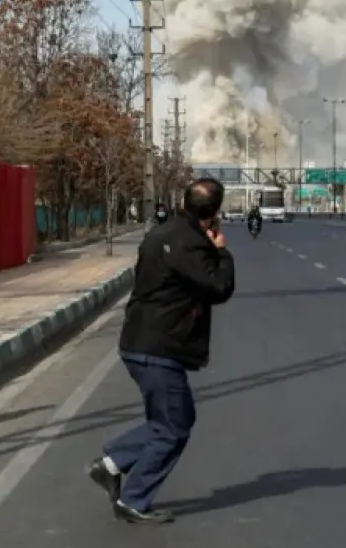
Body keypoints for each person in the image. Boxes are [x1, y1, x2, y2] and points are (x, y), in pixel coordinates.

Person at [87, 178, 235, 524]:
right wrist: (222, 252)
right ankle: (133, 499)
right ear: (214, 212)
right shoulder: (192, 244)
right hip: (160, 347)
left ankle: (112, 463)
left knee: (172, 420)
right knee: (173, 428)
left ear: (183, 202)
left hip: (138, 341)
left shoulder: (160, 233)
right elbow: (219, 287)